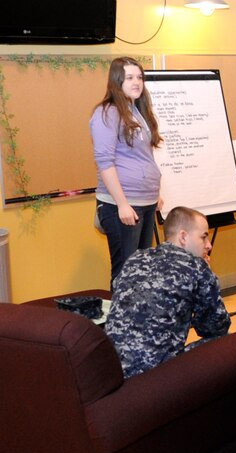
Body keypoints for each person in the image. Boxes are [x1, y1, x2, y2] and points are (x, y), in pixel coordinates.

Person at [104, 206, 230, 379]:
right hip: (155, 376)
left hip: (113, 370)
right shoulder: (197, 268)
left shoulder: (136, 258)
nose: (209, 245)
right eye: (204, 237)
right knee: (227, 341)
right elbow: (216, 327)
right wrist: (208, 276)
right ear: (183, 237)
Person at [91, 56, 164, 286]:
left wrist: (155, 194)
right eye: (130, 77)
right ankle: (120, 323)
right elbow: (105, 161)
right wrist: (122, 203)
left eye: (140, 77)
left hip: (146, 203)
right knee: (126, 273)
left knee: (142, 271)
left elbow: (144, 156)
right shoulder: (107, 112)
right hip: (121, 205)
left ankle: (138, 322)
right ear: (116, 80)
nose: (137, 82)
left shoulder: (137, 110)